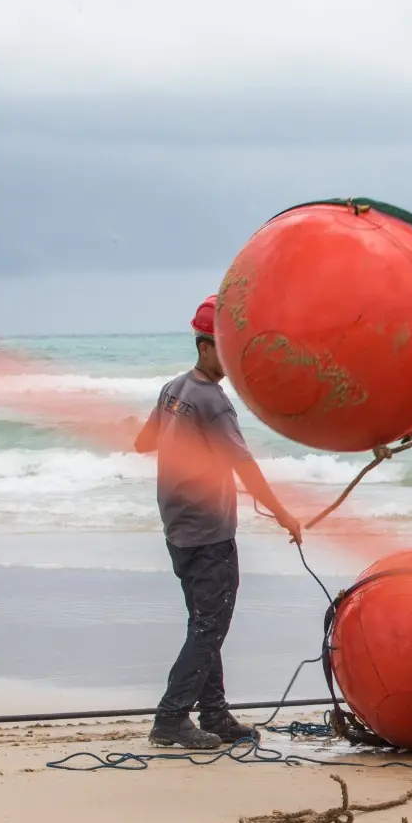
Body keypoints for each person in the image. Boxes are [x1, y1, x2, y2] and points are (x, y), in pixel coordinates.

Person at [133, 295, 304, 749]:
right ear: (204, 345)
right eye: (225, 350)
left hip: (177, 526)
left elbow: (143, 443)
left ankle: (214, 713)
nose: (231, 360)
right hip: (208, 531)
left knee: (204, 622)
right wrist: (284, 514)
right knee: (210, 627)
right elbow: (244, 465)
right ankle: (171, 717)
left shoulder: (173, 389)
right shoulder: (213, 402)